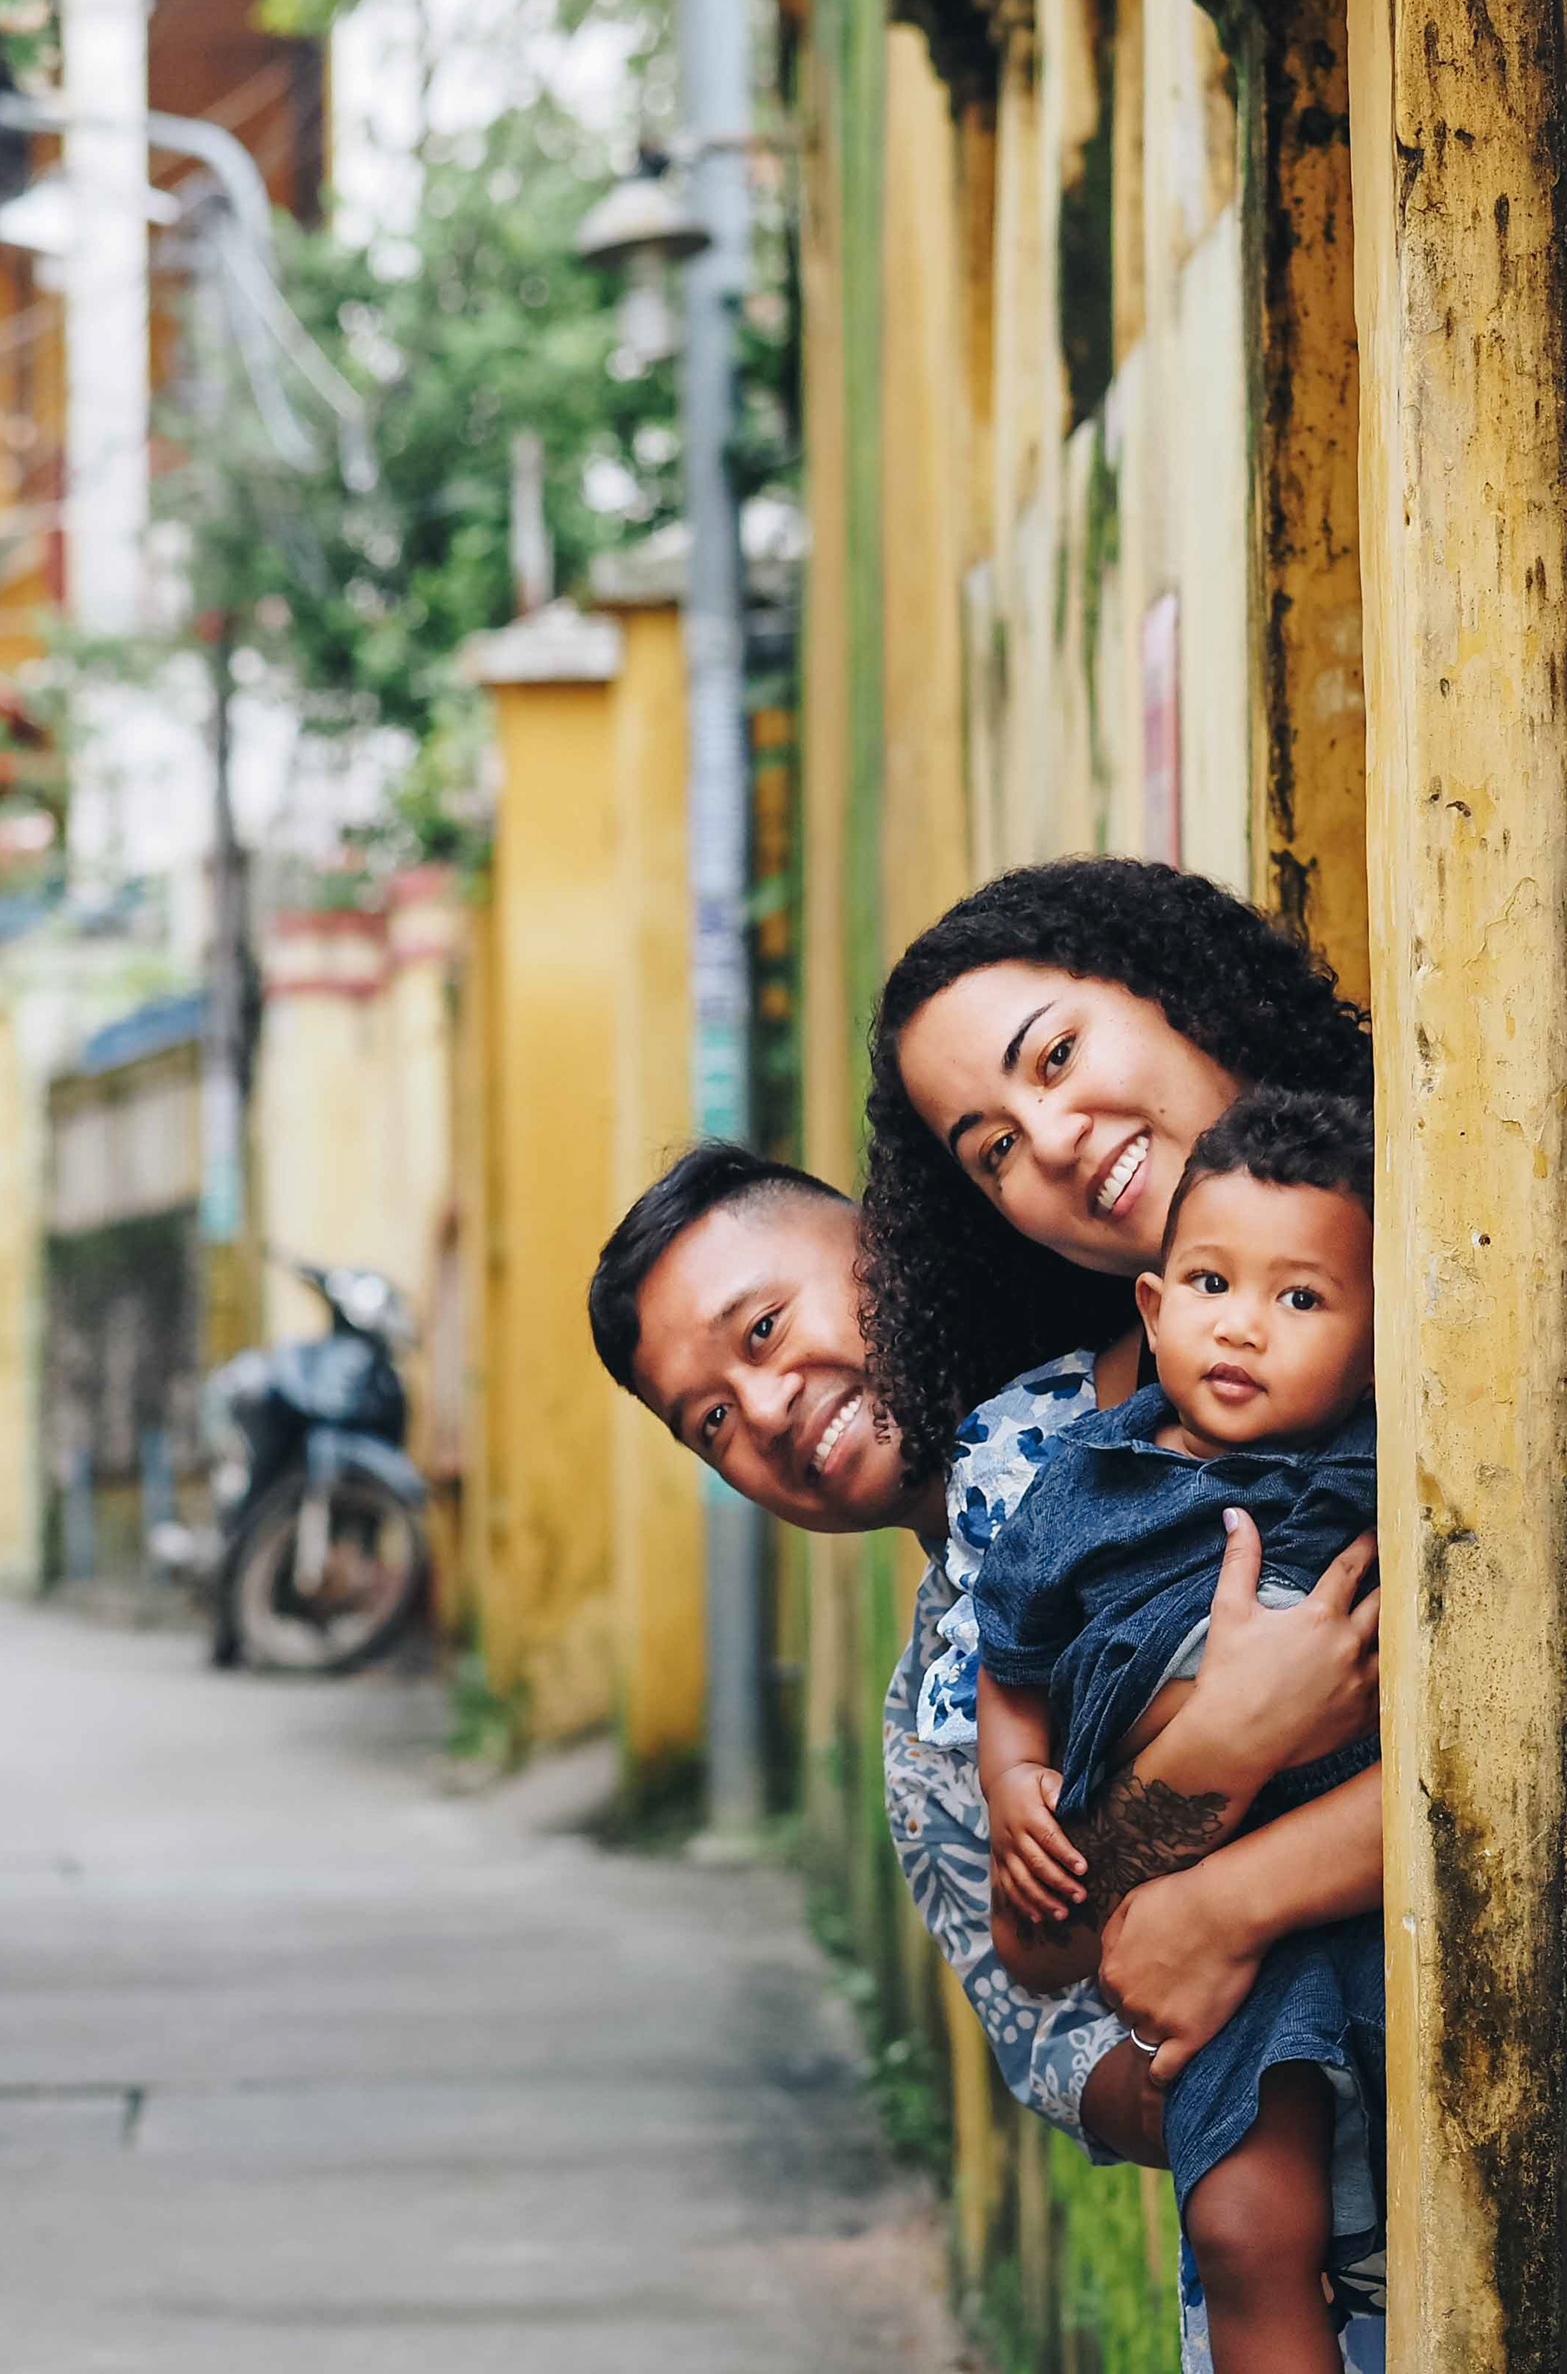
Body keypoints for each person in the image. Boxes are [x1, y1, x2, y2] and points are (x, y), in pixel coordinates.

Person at [586, 1127, 1379, 2371]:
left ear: (881, 1232)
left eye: (763, 1329)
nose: (773, 1407)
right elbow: (1062, 2045)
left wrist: (1226, 1892)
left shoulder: (1225, 1378)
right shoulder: (931, 1738)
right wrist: (1201, 2022)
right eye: (714, 1422)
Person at [858, 855, 1388, 2368]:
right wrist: (1214, 1746)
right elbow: (1059, 1944)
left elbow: (1537, 1718)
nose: (1053, 1141)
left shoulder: (1455, 1242)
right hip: (1302, 2184)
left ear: (1174, 986)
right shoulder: (1053, 1464)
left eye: (1056, 1055)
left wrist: (1227, 1894)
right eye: (991, 1146)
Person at [970, 1089, 1385, 2365]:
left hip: (1351, 1886)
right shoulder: (1082, 1484)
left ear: (1381, 1342)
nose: (1244, 1326)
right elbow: (1011, 1655)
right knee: (1250, 2226)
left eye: (1301, 1300)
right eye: (1210, 1282)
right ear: (1154, 1313)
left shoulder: (1385, 1472)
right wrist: (1013, 1783)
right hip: (1200, 1931)